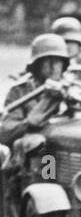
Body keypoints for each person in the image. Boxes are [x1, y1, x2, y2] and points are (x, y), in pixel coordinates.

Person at [1, 34, 73, 198]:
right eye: (48, 61)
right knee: (41, 147)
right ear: (36, 64)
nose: (54, 67)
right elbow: (5, 132)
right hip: (40, 157)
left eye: (58, 61)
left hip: (69, 157)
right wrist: (28, 123)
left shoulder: (73, 88)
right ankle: (43, 197)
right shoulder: (21, 90)